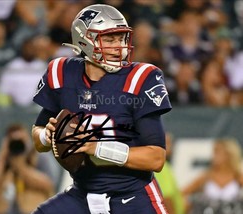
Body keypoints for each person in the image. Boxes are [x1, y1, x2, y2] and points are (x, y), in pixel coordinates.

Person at [31, 4, 172, 214]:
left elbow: (156, 158)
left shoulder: (140, 78)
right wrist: (47, 135)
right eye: (109, 39)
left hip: (133, 197)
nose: (119, 46)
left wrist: (96, 148)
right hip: (82, 195)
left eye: (121, 38)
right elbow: (37, 136)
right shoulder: (62, 73)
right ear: (84, 40)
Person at [0, 123, 55, 214]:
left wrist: (21, 167)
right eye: (13, 141)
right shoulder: (0, 159)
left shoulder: (39, 157)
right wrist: (2, 157)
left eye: (21, 141)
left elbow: (48, 184)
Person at [182, 138, 243, 213]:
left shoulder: (237, 176)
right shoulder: (206, 176)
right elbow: (182, 193)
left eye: (217, 152)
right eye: (214, 152)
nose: (214, 156)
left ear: (228, 154)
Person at [154, 133, 185, 214]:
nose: (170, 147)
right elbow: (166, 198)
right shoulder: (162, 167)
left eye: (170, 143)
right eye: (166, 143)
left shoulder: (164, 166)